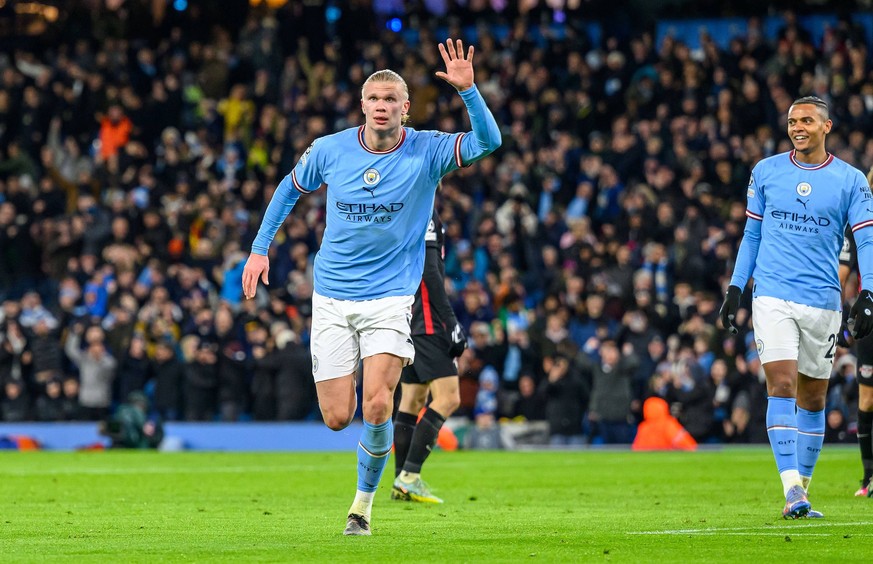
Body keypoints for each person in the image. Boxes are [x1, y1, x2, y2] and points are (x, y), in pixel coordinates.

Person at [242, 39, 501, 536]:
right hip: (334, 295)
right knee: (338, 417)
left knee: (379, 402)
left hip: (390, 297)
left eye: (391, 101)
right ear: (363, 106)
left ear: (406, 108)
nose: (382, 108)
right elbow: (287, 190)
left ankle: (361, 508)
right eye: (374, 100)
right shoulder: (329, 149)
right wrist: (260, 247)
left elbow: (487, 142)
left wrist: (470, 93)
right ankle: (373, 476)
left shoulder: (427, 150)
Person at [719, 96, 873, 520]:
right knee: (782, 385)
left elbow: (866, 241)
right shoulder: (765, 172)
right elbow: (751, 235)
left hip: (823, 301)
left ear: (826, 126)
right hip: (772, 296)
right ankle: (791, 490)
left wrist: (869, 292)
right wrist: (736, 288)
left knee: (813, 399)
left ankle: (801, 490)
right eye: (792, 120)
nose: (797, 126)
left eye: (807, 120)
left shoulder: (851, 180)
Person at [392, 206, 467, 504]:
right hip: (429, 323)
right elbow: (430, 271)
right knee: (449, 398)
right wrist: (451, 322)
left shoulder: (403, 210)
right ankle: (410, 476)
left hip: (406, 321)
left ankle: (401, 481)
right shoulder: (424, 212)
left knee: (412, 400)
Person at [836, 165, 873, 498]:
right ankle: (868, 477)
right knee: (868, 397)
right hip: (870, 319)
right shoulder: (859, 221)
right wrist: (836, 309)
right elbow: (843, 271)